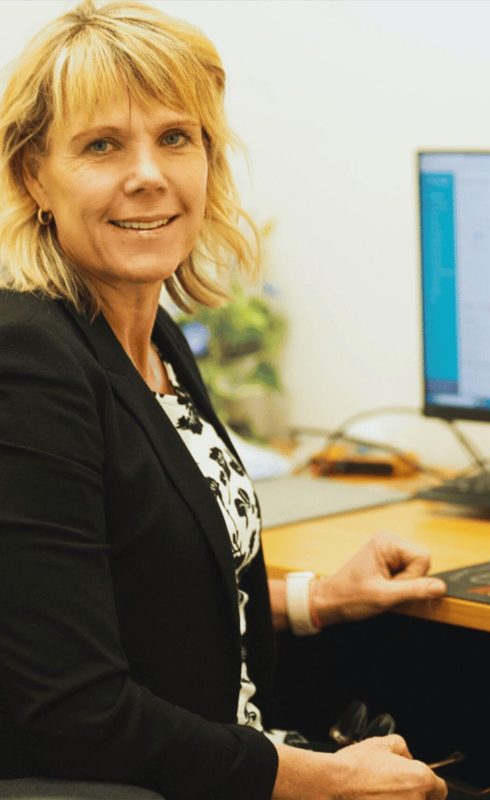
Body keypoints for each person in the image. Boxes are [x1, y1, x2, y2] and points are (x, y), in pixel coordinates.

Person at [0, 2, 448, 798]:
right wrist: (331, 780)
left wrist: (320, 599)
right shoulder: (26, 358)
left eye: (176, 137)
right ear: (34, 174)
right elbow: (77, 709)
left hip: (231, 751)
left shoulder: (150, 333)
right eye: (102, 145)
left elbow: (143, 595)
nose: (149, 173)